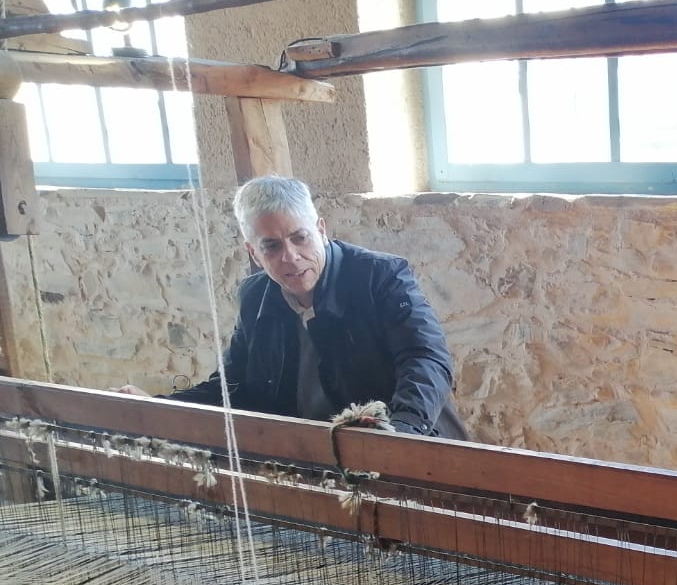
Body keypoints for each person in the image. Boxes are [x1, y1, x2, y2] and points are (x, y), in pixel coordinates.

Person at [124, 175, 468, 440]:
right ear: (253, 252)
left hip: (400, 449)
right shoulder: (255, 297)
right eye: (271, 246)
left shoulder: (380, 277)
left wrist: (401, 433)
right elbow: (232, 387)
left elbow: (425, 359)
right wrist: (157, 408)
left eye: (299, 238)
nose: (290, 256)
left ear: (320, 230)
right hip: (311, 460)